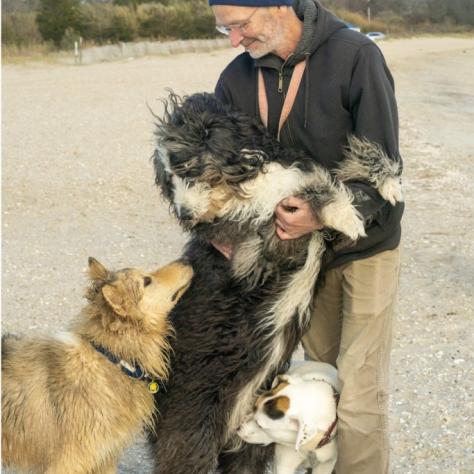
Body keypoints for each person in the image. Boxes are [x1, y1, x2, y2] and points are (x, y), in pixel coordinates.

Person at [208, 0, 404, 473]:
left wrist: (320, 211)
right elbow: (217, 176)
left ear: (277, 6)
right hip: (297, 256)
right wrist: (227, 227)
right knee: (318, 376)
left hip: (366, 245)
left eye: (240, 26)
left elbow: (383, 170)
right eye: (224, 31)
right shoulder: (235, 78)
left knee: (357, 393)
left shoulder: (356, 56)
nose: (235, 40)